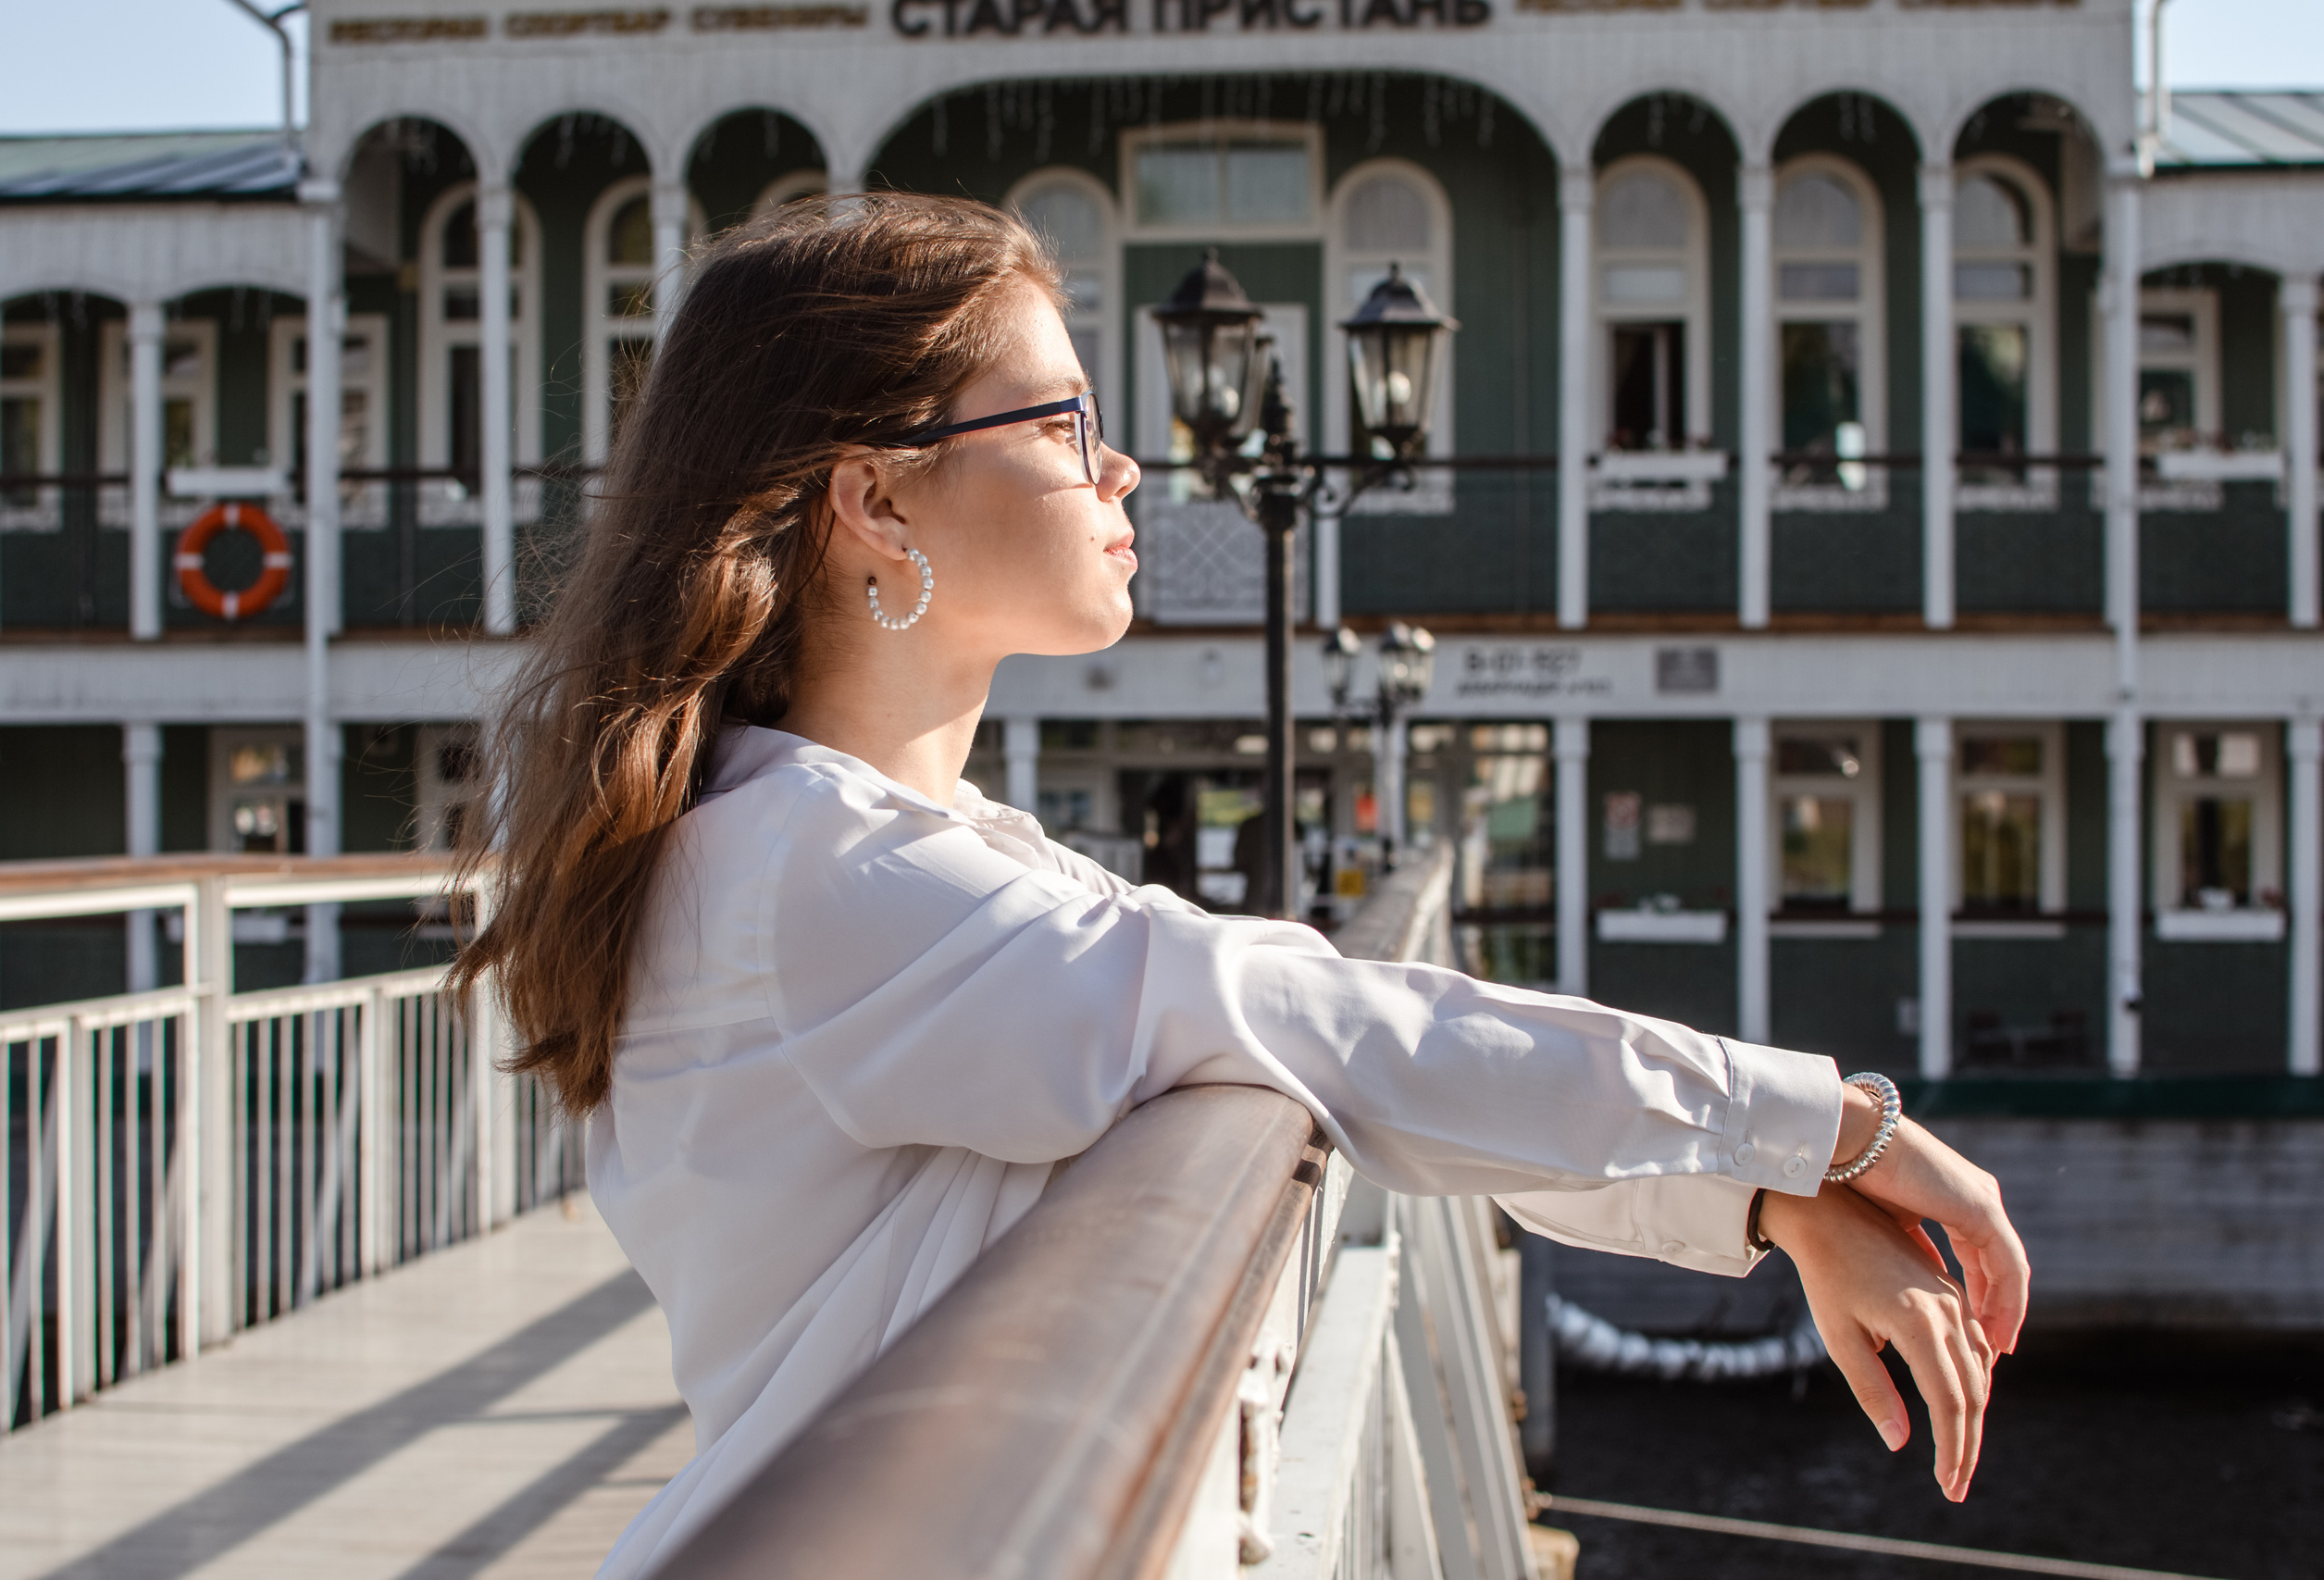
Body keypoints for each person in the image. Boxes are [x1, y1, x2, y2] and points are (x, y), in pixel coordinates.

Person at [453, 193, 2029, 1579]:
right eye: (1064, 423)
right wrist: (1827, 1127)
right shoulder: (813, 871)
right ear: (875, 499)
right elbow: (1319, 1022)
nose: (1123, 465)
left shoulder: (887, 850)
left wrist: (1768, 1189)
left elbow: (1335, 1055)